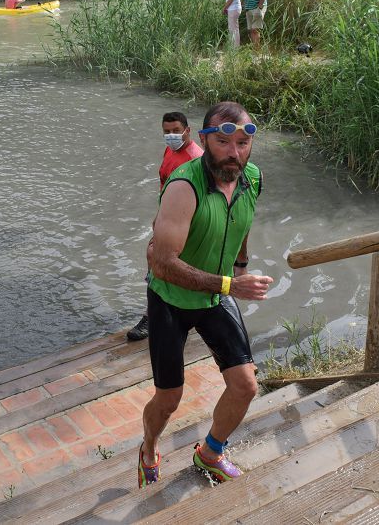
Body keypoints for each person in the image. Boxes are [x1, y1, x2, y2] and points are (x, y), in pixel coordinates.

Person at [138, 101, 273, 487]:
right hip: (171, 300)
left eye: (242, 145)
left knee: (246, 385)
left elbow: (243, 218)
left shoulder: (252, 178)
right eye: (223, 142)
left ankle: (210, 452)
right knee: (168, 400)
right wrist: (232, 284)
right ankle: (149, 446)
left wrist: (241, 264)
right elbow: (162, 263)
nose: (234, 153)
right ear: (204, 140)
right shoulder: (183, 187)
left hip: (216, 295)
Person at [127, 112, 205, 342]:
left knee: (161, 263)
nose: (171, 135)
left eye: (175, 131)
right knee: (155, 262)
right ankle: (165, 314)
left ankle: (152, 318)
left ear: (187, 130)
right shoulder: (171, 150)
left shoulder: (196, 159)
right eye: (167, 131)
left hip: (185, 223)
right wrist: (159, 215)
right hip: (168, 218)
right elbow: (165, 184)